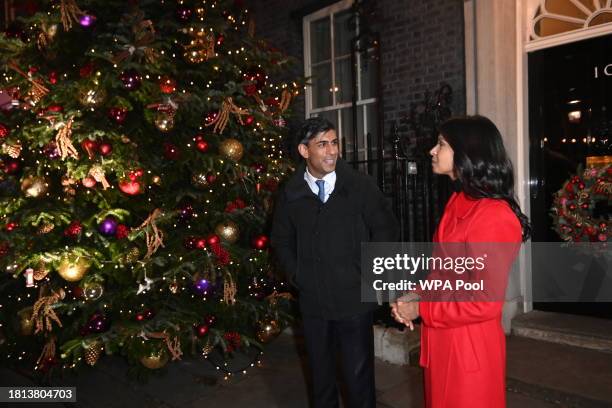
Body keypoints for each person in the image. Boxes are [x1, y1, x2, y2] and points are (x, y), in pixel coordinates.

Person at [391, 115, 531, 408]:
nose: (432, 150)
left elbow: (484, 301)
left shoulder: (493, 216)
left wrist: (422, 308)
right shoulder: (458, 202)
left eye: (441, 144)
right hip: (442, 342)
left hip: (468, 350)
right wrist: (417, 295)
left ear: (468, 153)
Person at [271, 117, 399, 408]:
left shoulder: (359, 185)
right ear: (304, 151)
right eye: (322, 144)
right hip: (314, 302)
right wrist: (298, 274)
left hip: (354, 300)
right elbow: (281, 239)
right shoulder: (290, 193)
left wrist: (369, 273)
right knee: (321, 379)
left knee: (358, 380)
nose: (331, 151)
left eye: (334, 142)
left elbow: (385, 228)